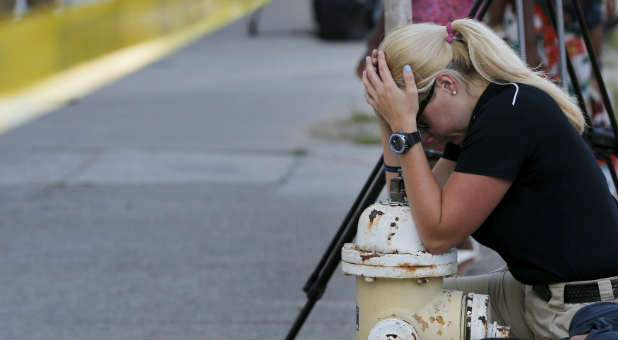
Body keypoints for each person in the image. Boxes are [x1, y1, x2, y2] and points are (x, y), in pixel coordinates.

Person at [361, 19, 617, 339]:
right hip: (534, 294)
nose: (424, 136)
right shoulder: (481, 119)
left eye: (421, 121)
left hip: (584, 307)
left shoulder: (508, 116)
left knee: (410, 323)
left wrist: (405, 130)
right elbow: (409, 206)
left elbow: (438, 235)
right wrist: (390, 122)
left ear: (447, 85)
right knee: (394, 307)